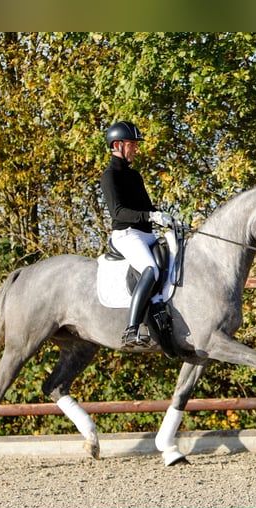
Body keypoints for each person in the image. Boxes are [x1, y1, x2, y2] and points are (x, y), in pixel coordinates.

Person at [101, 121, 174, 348]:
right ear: (117, 145)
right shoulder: (110, 176)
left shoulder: (135, 176)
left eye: (134, 144)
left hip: (146, 234)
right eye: (131, 144)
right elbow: (119, 212)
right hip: (126, 234)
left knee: (172, 260)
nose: (135, 149)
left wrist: (164, 217)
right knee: (150, 269)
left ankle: (159, 306)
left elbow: (147, 208)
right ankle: (132, 329)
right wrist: (151, 217)